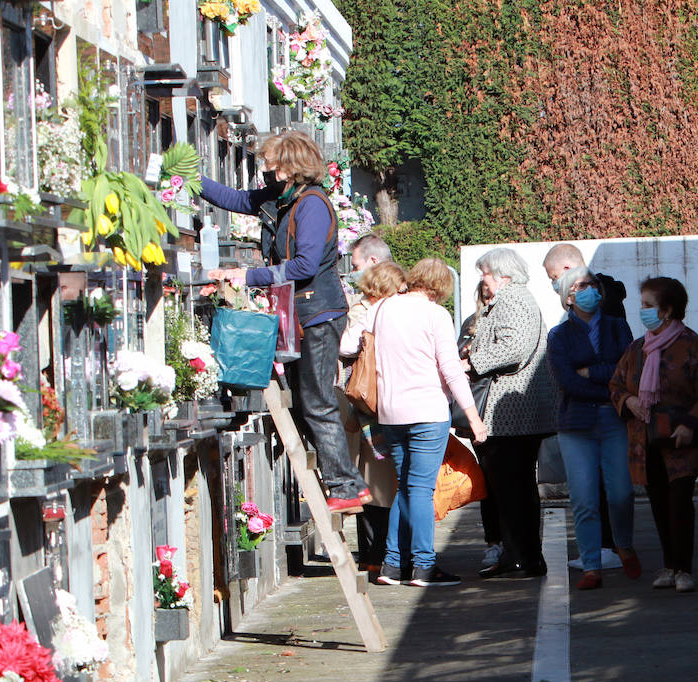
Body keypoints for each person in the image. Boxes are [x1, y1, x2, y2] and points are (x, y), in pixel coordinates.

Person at [202, 130, 368, 514]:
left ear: (290, 167)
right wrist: (188, 179)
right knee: (306, 402)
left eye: (271, 165)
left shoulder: (311, 205)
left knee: (317, 401)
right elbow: (238, 200)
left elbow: (306, 265)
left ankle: (345, 485)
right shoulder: (285, 199)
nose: (265, 172)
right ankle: (348, 482)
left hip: (319, 313)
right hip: (303, 313)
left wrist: (248, 276)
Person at [341, 258, 487, 586]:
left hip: (390, 415)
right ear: (440, 288)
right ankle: (424, 565)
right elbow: (451, 369)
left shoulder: (381, 309)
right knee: (421, 489)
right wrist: (475, 418)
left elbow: (346, 345)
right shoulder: (436, 315)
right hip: (427, 413)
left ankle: (392, 565)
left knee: (404, 487)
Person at [609, 277, 698, 594]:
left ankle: (684, 568)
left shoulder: (691, 345)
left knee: (680, 502)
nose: (642, 311)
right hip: (646, 440)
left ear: (667, 310)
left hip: (682, 440)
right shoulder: (637, 349)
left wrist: (690, 424)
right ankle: (669, 565)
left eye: (648, 305)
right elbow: (616, 385)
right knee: (658, 502)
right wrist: (629, 401)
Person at [546, 266, 640, 590]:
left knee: (621, 493)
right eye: (581, 286)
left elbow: (628, 372)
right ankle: (591, 565)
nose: (589, 291)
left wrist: (592, 373)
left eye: (592, 285)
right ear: (568, 297)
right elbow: (568, 382)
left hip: (614, 419)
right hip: (577, 424)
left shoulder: (617, 327)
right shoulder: (559, 335)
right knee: (584, 498)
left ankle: (623, 543)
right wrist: (608, 383)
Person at [469, 247, 558, 579]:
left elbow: (513, 346)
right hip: (515, 415)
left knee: (512, 488)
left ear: (504, 275)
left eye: (486, 273)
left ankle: (526, 557)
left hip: (512, 415)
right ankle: (518, 555)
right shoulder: (516, 299)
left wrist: (472, 362)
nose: (483, 278)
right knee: (512, 488)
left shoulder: (513, 299)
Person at [341, 260, 406, 574]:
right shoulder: (365, 311)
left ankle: (377, 554)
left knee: (381, 480)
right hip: (372, 403)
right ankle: (376, 554)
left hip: (379, 402)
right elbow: (346, 346)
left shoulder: (369, 310)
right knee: (378, 480)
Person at [459, 280, 503, 572]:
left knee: (508, 480)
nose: (489, 298)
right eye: (485, 294)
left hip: (507, 409)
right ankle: (494, 542)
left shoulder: (511, 320)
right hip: (481, 410)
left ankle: (509, 541)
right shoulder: (471, 323)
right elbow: (459, 359)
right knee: (489, 480)